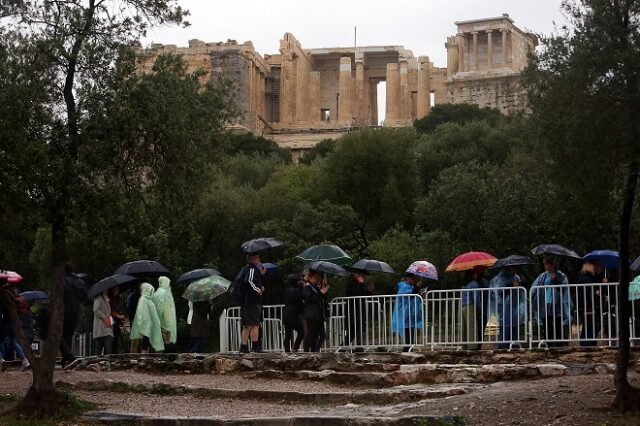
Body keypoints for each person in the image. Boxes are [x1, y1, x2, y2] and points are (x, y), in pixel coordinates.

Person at [531, 257, 572, 347]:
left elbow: (564, 287)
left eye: (548, 264)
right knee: (547, 325)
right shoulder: (542, 276)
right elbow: (534, 288)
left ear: (553, 265)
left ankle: (558, 344)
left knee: (557, 324)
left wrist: (555, 280)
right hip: (545, 303)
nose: (546, 266)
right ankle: (548, 344)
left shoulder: (561, 275)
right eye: (545, 264)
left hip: (557, 304)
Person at [490, 266, 526, 349]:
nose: (516, 269)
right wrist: (511, 285)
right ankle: (503, 347)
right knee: (505, 327)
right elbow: (499, 293)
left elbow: (521, 290)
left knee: (514, 327)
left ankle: (513, 346)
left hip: (514, 306)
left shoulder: (517, 277)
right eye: (514, 268)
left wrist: (521, 283)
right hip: (504, 307)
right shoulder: (499, 278)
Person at [60, 262, 87, 367]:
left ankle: (69, 356)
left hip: (64, 312)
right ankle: (65, 362)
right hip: (75, 311)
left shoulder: (63, 281)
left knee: (58, 336)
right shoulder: (80, 282)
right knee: (68, 336)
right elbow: (85, 297)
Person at [239, 252, 265, 354]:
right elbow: (249, 281)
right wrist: (257, 289)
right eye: (258, 258)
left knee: (248, 325)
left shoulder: (246, 269)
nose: (259, 260)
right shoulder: (251, 269)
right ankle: (255, 346)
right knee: (254, 324)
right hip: (252, 301)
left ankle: (244, 346)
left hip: (247, 301)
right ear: (253, 258)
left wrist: (262, 275)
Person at [391, 274, 424, 351]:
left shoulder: (410, 287)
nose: (413, 281)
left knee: (411, 333)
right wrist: (417, 287)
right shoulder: (403, 286)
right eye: (412, 279)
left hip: (410, 314)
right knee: (407, 333)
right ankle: (407, 349)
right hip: (404, 314)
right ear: (408, 279)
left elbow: (414, 296)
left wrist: (419, 292)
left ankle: (409, 349)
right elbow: (411, 295)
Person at [130, 282, 164, 353]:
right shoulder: (135, 297)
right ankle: (135, 356)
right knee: (137, 341)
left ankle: (144, 356)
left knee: (146, 340)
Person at [343, 271, 373, 348]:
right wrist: (362, 284)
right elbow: (357, 293)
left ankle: (342, 348)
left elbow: (363, 294)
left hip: (359, 311)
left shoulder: (360, 283)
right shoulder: (351, 284)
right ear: (358, 275)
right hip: (352, 312)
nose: (365, 277)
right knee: (355, 330)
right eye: (363, 275)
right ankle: (359, 348)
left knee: (353, 332)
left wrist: (369, 291)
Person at [303, 269, 329, 352]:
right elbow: (310, 299)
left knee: (322, 335)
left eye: (317, 278)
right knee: (312, 335)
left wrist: (324, 290)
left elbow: (321, 298)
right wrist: (321, 292)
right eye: (314, 278)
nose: (316, 280)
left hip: (318, 315)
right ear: (310, 278)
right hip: (312, 315)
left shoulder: (315, 287)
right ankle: (309, 351)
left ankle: (315, 350)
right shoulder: (307, 287)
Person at [576, 262, 602, 346]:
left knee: (588, 326)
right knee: (592, 326)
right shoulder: (588, 278)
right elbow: (590, 292)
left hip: (584, 307)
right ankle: (588, 345)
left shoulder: (583, 277)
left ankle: (586, 344)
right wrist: (596, 294)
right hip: (589, 307)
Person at [152, 276, 177, 346]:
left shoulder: (157, 292)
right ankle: (163, 354)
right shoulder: (165, 293)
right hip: (165, 318)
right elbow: (163, 307)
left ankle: (159, 355)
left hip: (157, 318)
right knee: (165, 338)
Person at [282, 274, 304, 352]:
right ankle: (295, 347)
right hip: (293, 313)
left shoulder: (286, 290)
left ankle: (287, 350)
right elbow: (299, 303)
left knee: (288, 333)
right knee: (301, 331)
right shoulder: (296, 291)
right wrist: (302, 311)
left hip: (285, 313)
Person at [92, 289, 114, 356]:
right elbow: (96, 310)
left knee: (108, 345)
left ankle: (107, 362)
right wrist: (104, 317)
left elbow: (108, 312)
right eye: (106, 288)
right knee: (100, 346)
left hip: (107, 325)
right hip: (101, 326)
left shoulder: (106, 298)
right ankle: (98, 362)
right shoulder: (99, 298)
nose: (108, 289)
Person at [108, 286, 125, 354]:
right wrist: (119, 316)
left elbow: (117, 309)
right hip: (111, 320)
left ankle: (115, 353)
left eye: (118, 289)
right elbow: (110, 311)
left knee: (116, 339)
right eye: (116, 289)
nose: (117, 291)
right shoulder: (110, 299)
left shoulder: (117, 298)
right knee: (113, 339)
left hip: (116, 321)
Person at [126, 284, 142, 353]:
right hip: (136, 320)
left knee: (139, 341)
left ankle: (136, 355)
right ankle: (133, 356)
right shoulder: (132, 297)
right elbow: (129, 309)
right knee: (135, 341)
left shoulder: (142, 296)